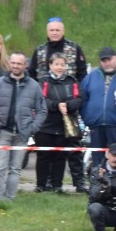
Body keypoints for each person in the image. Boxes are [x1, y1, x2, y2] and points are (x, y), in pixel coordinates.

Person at [0, 51, 47, 207]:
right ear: (9, 63)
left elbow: (42, 110)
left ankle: (9, 201)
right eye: (13, 63)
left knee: (15, 170)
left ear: (25, 65)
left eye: (19, 63)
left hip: (22, 134)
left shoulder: (34, 86)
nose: (15, 66)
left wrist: (32, 128)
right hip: (2, 132)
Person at [35, 52, 84, 192]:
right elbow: (41, 100)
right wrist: (56, 105)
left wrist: (67, 105)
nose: (59, 67)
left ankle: (57, 185)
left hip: (64, 126)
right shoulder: (43, 82)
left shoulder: (72, 81)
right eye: (56, 64)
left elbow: (79, 99)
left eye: (62, 64)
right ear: (50, 65)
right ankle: (40, 184)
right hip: (45, 125)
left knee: (59, 157)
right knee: (43, 156)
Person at [79, 46, 116, 168]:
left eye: (109, 59)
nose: (106, 63)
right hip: (96, 125)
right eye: (103, 60)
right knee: (97, 158)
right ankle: (97, 183)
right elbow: (82, 98)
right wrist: (88, 117)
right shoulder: (91, 76)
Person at [28, 17, 87, 82]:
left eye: (57, 30)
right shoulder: (39, 51)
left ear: (63, 31)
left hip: (69, 89)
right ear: (47, 32)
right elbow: (31, 73)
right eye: (51, 30)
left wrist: (77, 88)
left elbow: (82, 73)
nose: (54, 33)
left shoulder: (75, 48)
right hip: (44, 89)